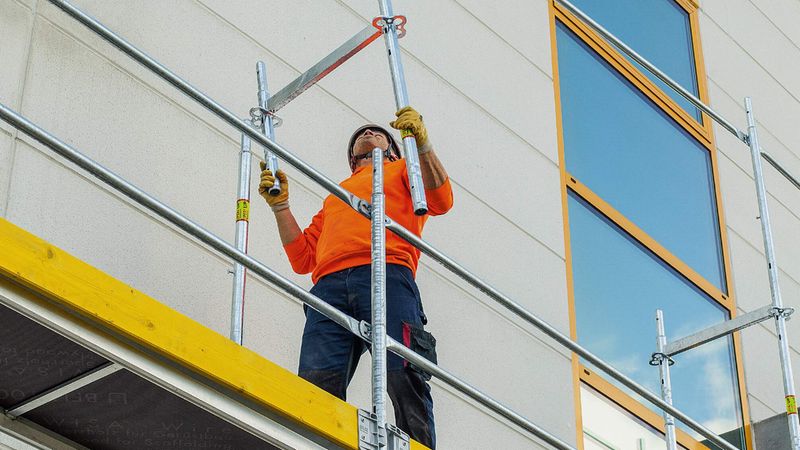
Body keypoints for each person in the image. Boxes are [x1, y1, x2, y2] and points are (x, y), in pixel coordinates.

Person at [258, 106, 452, 448]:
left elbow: (440, 199)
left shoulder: (405, 171)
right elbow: (303, 257)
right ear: (352, 159)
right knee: (316, 383)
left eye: (376, 132)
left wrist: (421, 145)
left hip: (387, 272)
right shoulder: (337, 195)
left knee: (404, 374)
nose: (367, 133)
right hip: (328, 286)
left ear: (392, 148)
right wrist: (280, 207)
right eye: (361, 135)